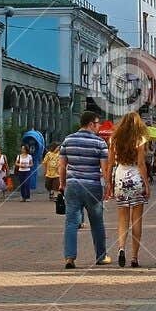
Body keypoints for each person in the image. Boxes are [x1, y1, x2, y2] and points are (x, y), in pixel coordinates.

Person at [59, 111, 111, 268]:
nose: (99, 126)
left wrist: (62, 184)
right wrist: (107, 185)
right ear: (90, 124)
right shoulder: (100, 142)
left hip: (73, 185)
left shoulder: (67, 140)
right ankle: (101, 256)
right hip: (92, 186)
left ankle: (69, 257)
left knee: (71, 222)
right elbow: (104, 168)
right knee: (97, 222)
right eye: (97, 124)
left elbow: (62, 166)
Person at [110, 113, 150, 267]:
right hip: (136, 178)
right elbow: (141, 164)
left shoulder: (114, 139)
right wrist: (146, 184)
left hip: (120, 177)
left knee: (122, 218)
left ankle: (121, 248)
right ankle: (134, 257)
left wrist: (108, 182)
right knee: (137, 220)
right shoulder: (140, 140)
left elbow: (111, 162)